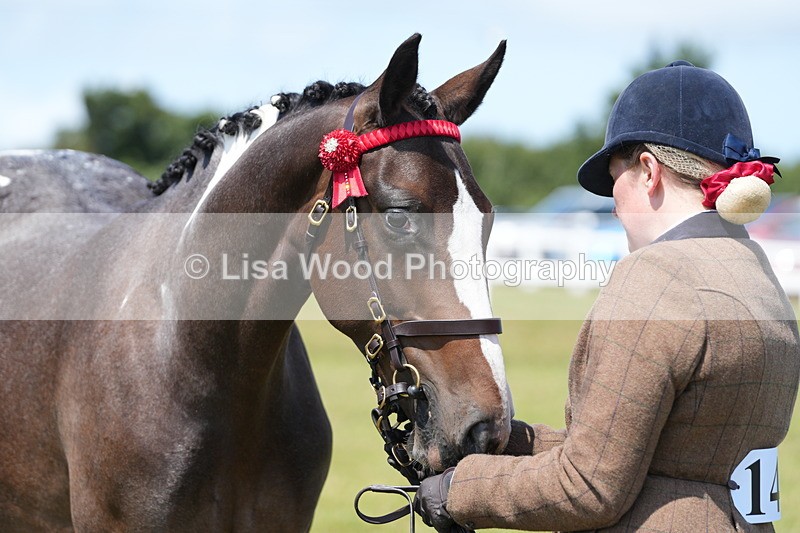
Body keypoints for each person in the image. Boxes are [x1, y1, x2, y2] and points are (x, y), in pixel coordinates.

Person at [415, 61, 800, 532]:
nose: (614, 202)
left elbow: (589, 486)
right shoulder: (757, 274)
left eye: (615, 178)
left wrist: (456, 490)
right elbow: (660, 456)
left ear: (648, 171)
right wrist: (513, 441)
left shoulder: (656, 280)